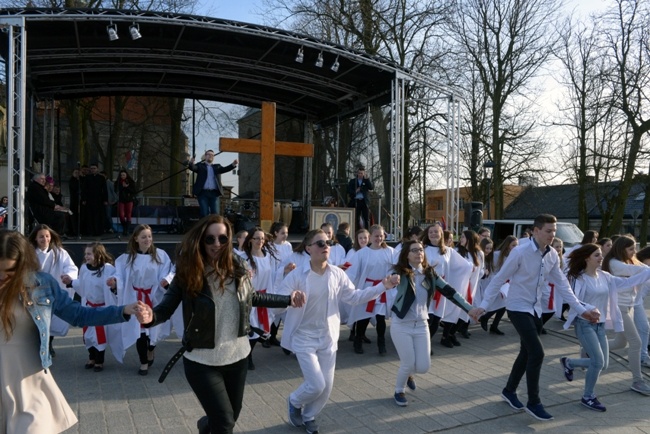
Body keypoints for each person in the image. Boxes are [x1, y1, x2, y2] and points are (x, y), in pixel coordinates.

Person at [134, 214, 305, 434]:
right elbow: (165, 308)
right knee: (224, 424)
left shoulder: (238, 265)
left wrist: (288, 299)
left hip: (237, 357)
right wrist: (150, 318)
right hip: (201, 360)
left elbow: (252, 297)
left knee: (229, 418)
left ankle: (205, 426)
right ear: (200, 240)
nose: (217, 244)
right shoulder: (188, 271)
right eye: (210, 239)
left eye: (222, 239)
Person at [0, 229, 142, 433]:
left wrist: (121, 311)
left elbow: (79, 315)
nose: (3, 277)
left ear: (23, 265)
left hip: (30, 385)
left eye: (10, 272)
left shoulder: (42, 284)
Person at [474, 214, 600, 421]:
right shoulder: (520, 253)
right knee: (537, 353)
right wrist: (484, 306)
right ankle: (534, 402)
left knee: (526, 353)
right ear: (536, 231)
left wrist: (581, 309)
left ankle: (509, 391)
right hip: (516, 307)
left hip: (536, 310)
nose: (552, 235)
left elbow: (563, 285)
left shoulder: (551, 255)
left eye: (554, 231)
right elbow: (499, 278)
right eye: (549, 231)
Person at [276, 228, 400, 434]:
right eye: (320, 243)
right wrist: (289, 298)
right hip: (303, 337)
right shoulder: (297, 275)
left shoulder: (337, 274)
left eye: (328, 243)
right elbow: (278, 302)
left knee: (327, 387)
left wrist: (383, 286)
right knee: (316, 384)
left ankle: (309, 416)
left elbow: (355, 297)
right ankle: (295, 401)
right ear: (308, 249)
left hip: (328, 337)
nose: (326, 247)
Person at [559, 244, 650, 411]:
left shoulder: (605, 276)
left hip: (599, 326)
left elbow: (628, 281)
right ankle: (588, 396)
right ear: (587, 258)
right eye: (597, 255)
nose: (601, 258)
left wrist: (647, 271)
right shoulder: (578, 278)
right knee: (598, 362)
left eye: (600, 255)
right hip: (584, 324)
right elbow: (573, 301)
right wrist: (587, 309)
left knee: (604, 364)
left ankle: (569, 363)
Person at [390, 239, 479, 406]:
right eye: (414, 250)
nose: (419, 253)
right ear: (406, 255)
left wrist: (469, 309)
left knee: (423, 367)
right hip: (401, 324)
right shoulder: (400, 273)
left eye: (421, 250)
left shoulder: (430, 274)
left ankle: (409, 373)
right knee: (408, 362)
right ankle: (398, 390)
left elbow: (450, 291)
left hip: (422, 324)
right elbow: (389, 284)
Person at [106, 224, 174, 375]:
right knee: (139, 331)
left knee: (154, 329)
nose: (147, 239)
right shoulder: (127, 258)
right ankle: (143, 362)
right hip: (135, 297)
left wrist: (165, 281)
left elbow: (168, 272)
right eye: (143, 237)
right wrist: (114, 282)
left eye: (149, 236)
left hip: (154, 296)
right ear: (136, 239)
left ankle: (151, 349)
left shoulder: (161, 255)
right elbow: (120, 275)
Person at [601, 234, 650, 395]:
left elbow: (642, 271)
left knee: (621, 343)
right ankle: (638, 381)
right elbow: (638, 270)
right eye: (631, 249)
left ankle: (588, 350)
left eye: (634, 248)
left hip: (628, 307)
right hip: (619, 308)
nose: (634, 251)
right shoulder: (615, 264)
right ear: (622, 249)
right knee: (635, 343)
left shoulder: (626, 261)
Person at [61, 242, 116, 372]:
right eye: (85, 254)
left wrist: (113, 283)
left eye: (89, 254)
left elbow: (115, 281)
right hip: (88, 307)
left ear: (98, 254)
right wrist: (71, 282)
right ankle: (91, 357)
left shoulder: (107, 269)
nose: (86, 256)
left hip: (102, 308)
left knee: (100, 336)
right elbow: (82, 285)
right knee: (88, 336)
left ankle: (99, 361)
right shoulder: (84, 268)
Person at [28, 224, 78, 358]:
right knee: (36, 321)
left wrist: (68, 276)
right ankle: (37, 346)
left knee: (50, 321)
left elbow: (71, 267)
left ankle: (48, 344)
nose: (45, 239)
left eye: (47, 236)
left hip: (52, 292)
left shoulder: (59, 252)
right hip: (35, 292)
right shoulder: (30, 252)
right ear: (35, 239)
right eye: (41, 237)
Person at [345, 224, 395, 355]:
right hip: (367, 288)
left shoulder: (390, 251)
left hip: (383, 288)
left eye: (381, 235)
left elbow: (396, 267)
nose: (379, 238)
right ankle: (358, 340)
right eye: (376, 236)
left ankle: (381, 343)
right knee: (363, 317)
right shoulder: (362, 253)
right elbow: (353, 271)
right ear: (370, 237)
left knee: (380, 318)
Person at [422, 223, 471, 351]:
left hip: (441, 289)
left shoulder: (448, 251)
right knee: (428, 318)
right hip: (426, 288)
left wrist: (474, 268)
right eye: (431, 232)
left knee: (437, 319)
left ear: (441, 234)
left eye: (436, 232)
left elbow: (464, 265)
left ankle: (427, 344)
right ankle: (422, 345)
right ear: (427, 235)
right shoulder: (423, 249)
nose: (433, 234)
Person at [241, 227, 282, 367]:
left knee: (259, 329)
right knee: (251, 328)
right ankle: (247, 357)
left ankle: (248, 355)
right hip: (250, 297)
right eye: (257, 238)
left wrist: (271, 294)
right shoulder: (244, 258)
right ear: (250, 240)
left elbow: (271, 277)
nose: (260, 241)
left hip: (263, 297)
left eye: (262, 238)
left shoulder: (267, 256)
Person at [451, 230, 484, 340]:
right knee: (455, 310)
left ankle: (456, 331)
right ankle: (449, 334)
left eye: (463, 237)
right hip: (458, 285)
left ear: (470, 239)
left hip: (472, 286)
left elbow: (481, 270)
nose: (461, 239)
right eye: (461, 237)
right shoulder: (456, 251)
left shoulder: (479, 253)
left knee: (466, 311)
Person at [188, 150, 238, 217]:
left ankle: (214, 227)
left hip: (214, 194)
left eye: (212, 155)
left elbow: (225, 169)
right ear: (205, 156)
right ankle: (205, 226)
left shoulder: (217, 166)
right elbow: (193, 168)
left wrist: (233, 164)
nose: (211, 156)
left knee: (215, 213)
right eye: (209, 154)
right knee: (204, 213)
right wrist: (191, 163)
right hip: (203, 193)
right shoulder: (200, 166)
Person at [478, 236, 510, 335]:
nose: (488, 250)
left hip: (495, 282)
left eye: (490, 248)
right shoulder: (483, 256)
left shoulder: (494, 256)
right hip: (484, 283)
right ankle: (483, 318)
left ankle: (493, 324)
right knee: (489, 303)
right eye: (486, 248)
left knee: (503, 303)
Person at [81, 163, 108, 236]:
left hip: (99, 200)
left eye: (94, 168)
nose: (93, 170)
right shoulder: (87, 177)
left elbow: (104, 189)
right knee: (90, 216)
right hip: (89, 199)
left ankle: (98, 231)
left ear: (97, 169)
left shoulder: (101, 178)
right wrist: (84, 199)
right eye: (91, 168)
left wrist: (105, 199)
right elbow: (84, 189)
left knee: (98, 216)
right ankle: (90, 231)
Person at [634, 246, 650, 368]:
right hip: (625, 303)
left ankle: (643, 357)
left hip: (637, 303)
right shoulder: (634, 267)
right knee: (622, 340)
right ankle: (589, 351)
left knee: (644, 328)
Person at [347, 165, 374, 230]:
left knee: (366, 218)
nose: (360, 175)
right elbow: (348, 190)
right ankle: (356, 232)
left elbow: (371, 187)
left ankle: (367, 232)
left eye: (361, 173)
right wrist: (355, 191)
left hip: (364, 201)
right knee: (356, 218)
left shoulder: (366, 181)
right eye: (359, 173)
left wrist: (367, 179)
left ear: (364, 174)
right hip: (356, 201)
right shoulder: (353, 181)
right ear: (357, 173)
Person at [115, 169, 137, 236]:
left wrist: (127, 187)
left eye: (124, 175)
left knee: (128, 215)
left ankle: (126, 230)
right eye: (121, 175)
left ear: (126, 175)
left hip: (129, 200)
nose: (122, 176)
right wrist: (122, 187)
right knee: (121, 215)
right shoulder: (118, 182)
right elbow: (116, 190)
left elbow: (134, 191)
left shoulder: (131, 182)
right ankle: (124, 227)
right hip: (121, 200)